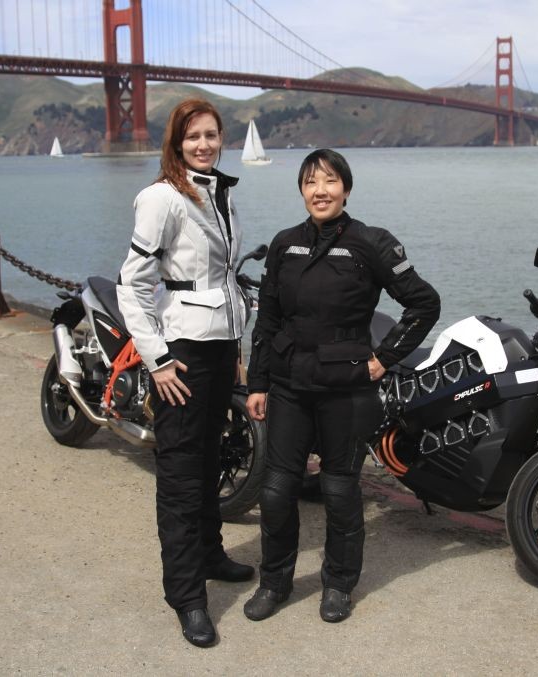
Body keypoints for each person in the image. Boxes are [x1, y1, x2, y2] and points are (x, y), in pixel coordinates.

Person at [244, 148, 440, 623]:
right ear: (301, 191)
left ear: (346, 189)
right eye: (311, 182)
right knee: (275, 489)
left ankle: (338, 585)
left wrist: (383, 359)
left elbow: (424, 303)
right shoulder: (284, 243)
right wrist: (258, 381)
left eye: (330, 181)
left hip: (345, 386)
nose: (320, 191)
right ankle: (274, 582)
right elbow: (268, 319)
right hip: (290, 385)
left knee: (339, 490)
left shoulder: (369, 243)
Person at [116, 98, 253, 648]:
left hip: (218, 349)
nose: (203, 144)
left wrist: (237, 348)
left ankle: (212, 554)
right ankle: (187, 596)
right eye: (192, 136)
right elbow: (133, 284)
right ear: (175, 143)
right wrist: (158, 358)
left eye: (212, 135)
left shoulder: (220, 193)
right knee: (178, 474)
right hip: (182, 352)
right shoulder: (162, 199)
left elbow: (223, 280)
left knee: (212, 455)